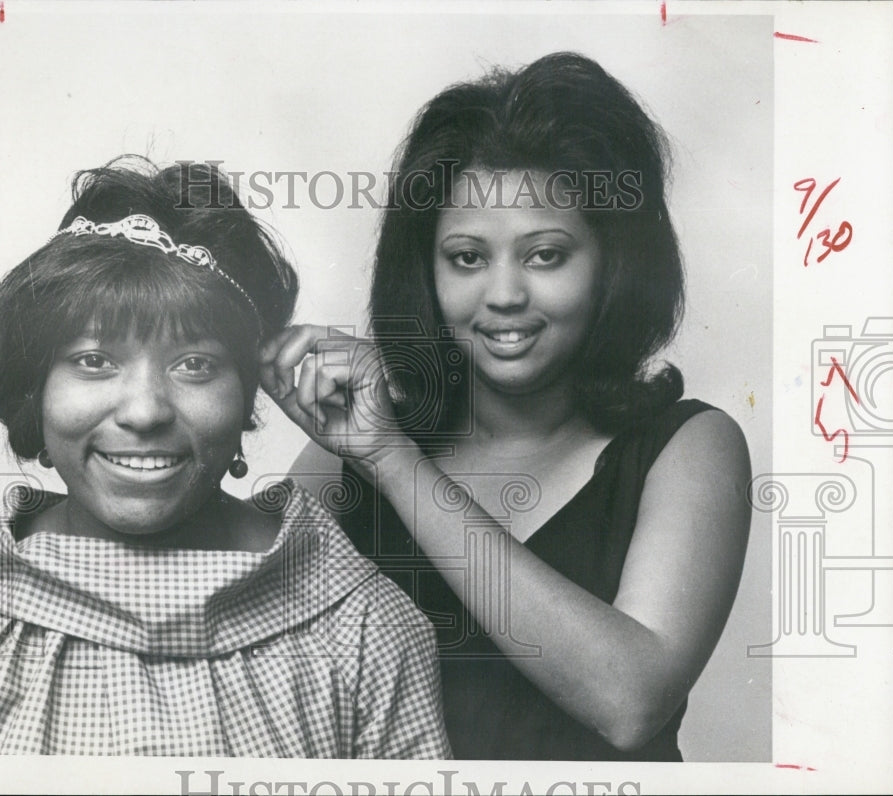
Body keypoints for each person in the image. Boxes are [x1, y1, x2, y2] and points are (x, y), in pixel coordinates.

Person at [260, 52, 753, 761]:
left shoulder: (689, 446)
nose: (503, 296)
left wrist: (395, 462)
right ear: (424, 272)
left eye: (545, 255)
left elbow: (630, 701)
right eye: (466, 258)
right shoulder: (350, 449)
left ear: (614, 262)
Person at [0, 156, 450, 758]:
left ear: (251, 387)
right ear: (35, 386)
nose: (145, 412)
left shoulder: (365, 631)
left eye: (194, 364)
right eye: (95, 360)